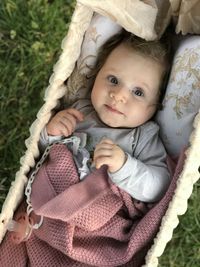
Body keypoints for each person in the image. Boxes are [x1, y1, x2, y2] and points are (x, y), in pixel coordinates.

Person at [40, 30, 171, 202]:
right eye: (114, 80)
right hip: (54, 196)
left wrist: (124, 166)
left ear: (156, 105)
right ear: (97, 75)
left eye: (138, 92)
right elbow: (44, 158)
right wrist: (51, 135)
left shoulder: (144, 138)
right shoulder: (80, 111)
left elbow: (159, 189)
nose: (118, 95)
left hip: (101, 209)